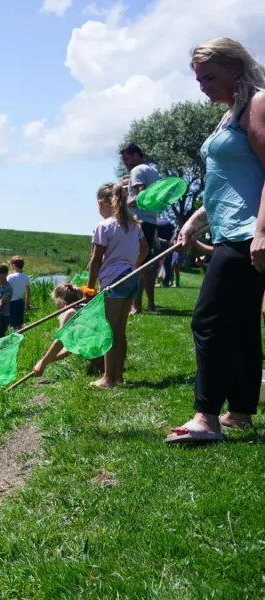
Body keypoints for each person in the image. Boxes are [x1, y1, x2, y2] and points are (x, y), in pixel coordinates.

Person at [166, 37, 265, 443]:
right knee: (242, 325)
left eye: (209, 76)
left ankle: (205, 418)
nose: (202, 85)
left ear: (234, 68)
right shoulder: (230, 114)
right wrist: (194, 222)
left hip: (247, 234)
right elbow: (225, 185)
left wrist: (262, 232)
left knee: (208, 321)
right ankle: (239, 413)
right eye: (198, 78)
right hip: (231, 231)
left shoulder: (258, 103)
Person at [86, 182, 150, 388]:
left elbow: (95, 260)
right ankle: (118, 376)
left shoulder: (103, 226)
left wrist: (89, 288)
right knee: (119, 330)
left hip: (113, 282)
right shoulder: (134, 225)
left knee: (109, 330)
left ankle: (108, 379)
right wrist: (132, 266)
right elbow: (145, 249)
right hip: (130, 279)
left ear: (101, 203)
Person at [120, 143, 161, 314]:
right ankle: (150, 305)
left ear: (137, 155)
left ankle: (136, 306)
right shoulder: (153, 171)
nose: (126, 164)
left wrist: (125, 202)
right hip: (150, 221)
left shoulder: (137, 171)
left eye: (127, 159)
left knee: (136, 264)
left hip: (139, 221)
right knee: (146, 264)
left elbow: (143, 195)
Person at [32, 282, 85, 376]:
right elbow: (68, 349)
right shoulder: (82, 307)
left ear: (61, 302)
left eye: (55, 301)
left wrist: (43, 363)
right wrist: (46, 360)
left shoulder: (70, 313)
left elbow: (60, 341)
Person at [7, 256, 31, 331]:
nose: (11, 267)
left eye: (11, 265)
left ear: (14, 265)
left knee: (14, 325)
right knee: (19, 325)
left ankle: (15, 339)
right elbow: (28, 292)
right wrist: (26, 305)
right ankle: (19, 339)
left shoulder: (10, 277)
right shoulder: (26, 277)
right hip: (20, 302)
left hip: (11, 303)